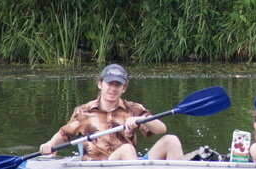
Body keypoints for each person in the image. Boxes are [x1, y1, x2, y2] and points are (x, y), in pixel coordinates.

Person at [39, 64, 183, 161]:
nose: (113, 89)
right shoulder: (84, 111)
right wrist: (50, 144)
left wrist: (140, 120)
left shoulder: (133, 108)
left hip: (131, 164)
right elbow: (64, 134)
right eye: (110, 83)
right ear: (100, 84)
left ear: (124, 88)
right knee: (127, 148)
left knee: (171, 140)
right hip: (101, 167)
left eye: (118, 85)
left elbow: (161, 129)